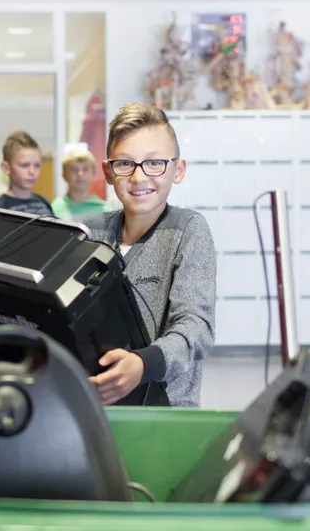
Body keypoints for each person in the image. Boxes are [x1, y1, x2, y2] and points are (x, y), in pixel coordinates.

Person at [81, 103, 217, 408]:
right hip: (92, 409)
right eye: (125, 164)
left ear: (178, 170)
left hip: (162, 414)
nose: (139, 177)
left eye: (154, 163)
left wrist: (143, 365)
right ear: (108, 171)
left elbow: (196, 326)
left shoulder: (189, 231)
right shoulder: (88, 233)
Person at [0, 131, 53, 216]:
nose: (32, 172)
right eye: (24, 165)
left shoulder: (43, 203)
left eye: (37, 165)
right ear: (6, 168)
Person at [51, 148, 110, 221]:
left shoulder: (106, 210)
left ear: (93, 173)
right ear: (64, 175)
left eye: (85, 169)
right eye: (74, 169)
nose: (80, 174)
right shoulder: (53, 209)